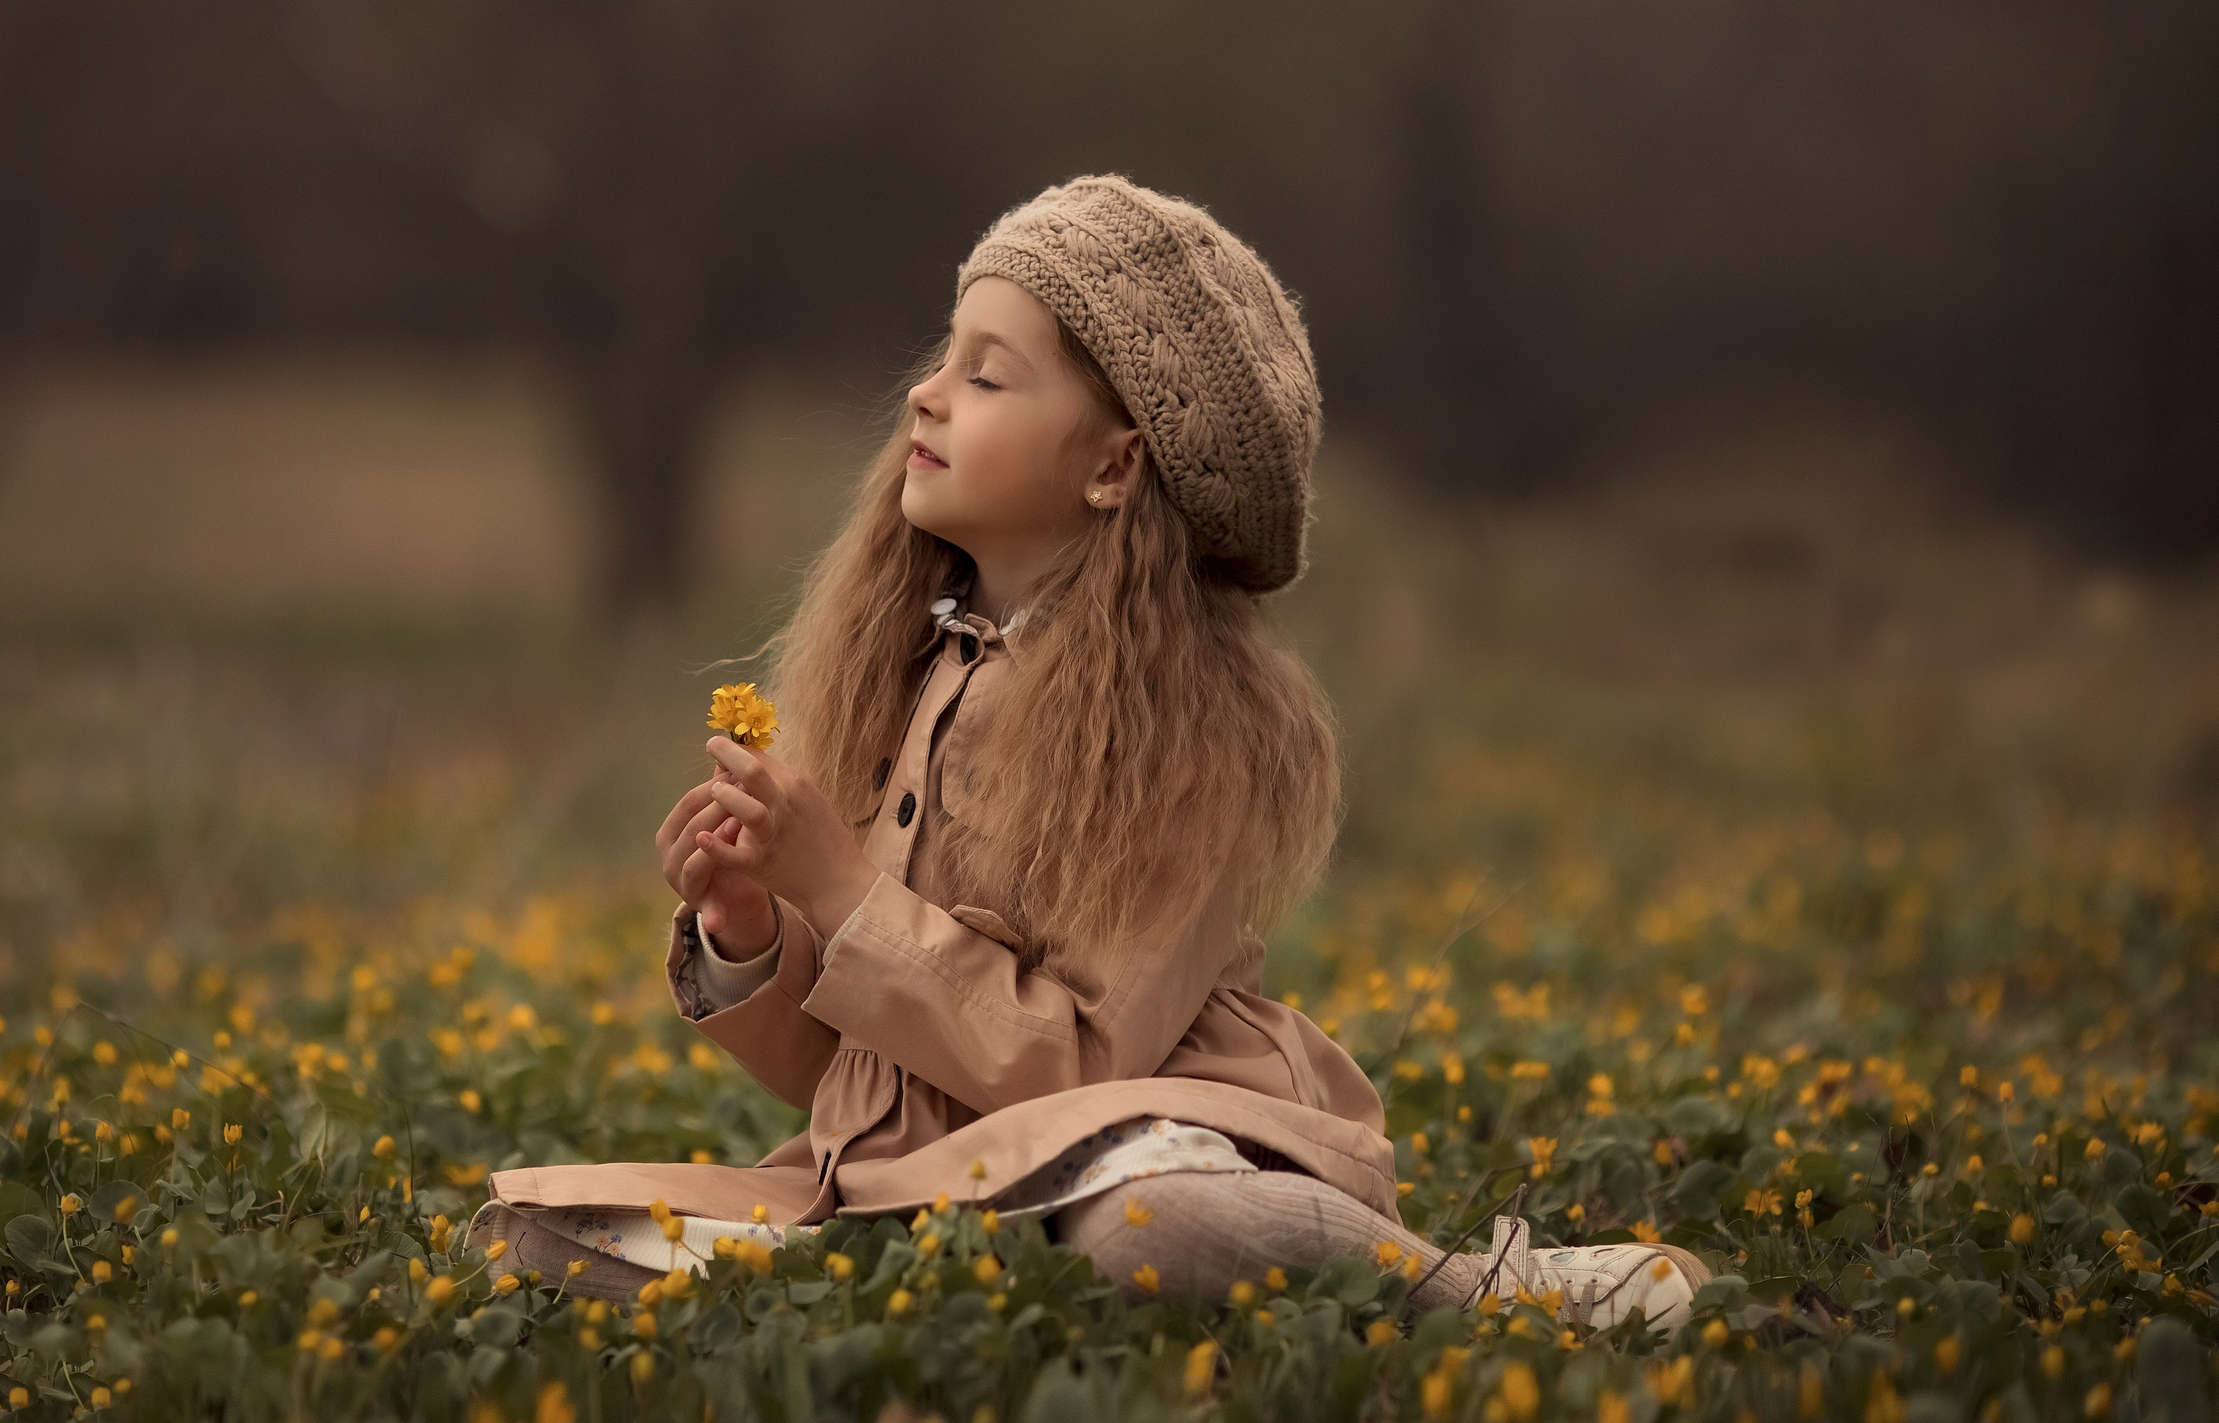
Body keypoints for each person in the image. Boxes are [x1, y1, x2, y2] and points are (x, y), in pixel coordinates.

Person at [469, 175, 1710, 1331]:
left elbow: (1072, 1066)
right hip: (913, 1184)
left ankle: (1473, 1295)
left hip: (1129, 1147)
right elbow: (858, 1079)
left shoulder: (1190, 720)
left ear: (1116, 464)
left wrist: (844, 891)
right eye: (942, 361)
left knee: (1148, 1220)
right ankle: (905, 1276)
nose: (926, 394)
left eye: (988, 378)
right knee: (529, 1234)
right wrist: (752, 930)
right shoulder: (916, 669)